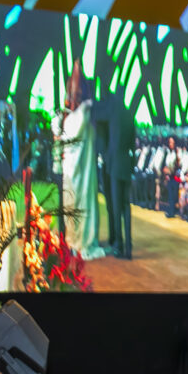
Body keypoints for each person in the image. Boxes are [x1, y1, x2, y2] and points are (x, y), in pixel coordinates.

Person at [53, 61, 104, 260]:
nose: (72, 100)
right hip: (72, 173)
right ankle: (72, 239)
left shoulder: (82, 115)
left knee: (79, 206)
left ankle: (79, 240)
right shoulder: (76, 116)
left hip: (80, 174)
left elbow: (68, 138)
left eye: (75, 96)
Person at [91, 92, 135, 259]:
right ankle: (128, 247)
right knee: (126, 206)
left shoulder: (112, 114)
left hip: (115, 166)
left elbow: (110, 143)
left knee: (116, 207)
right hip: (127, 166)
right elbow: (133, 144)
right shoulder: (129, 115)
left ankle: (118, 244)